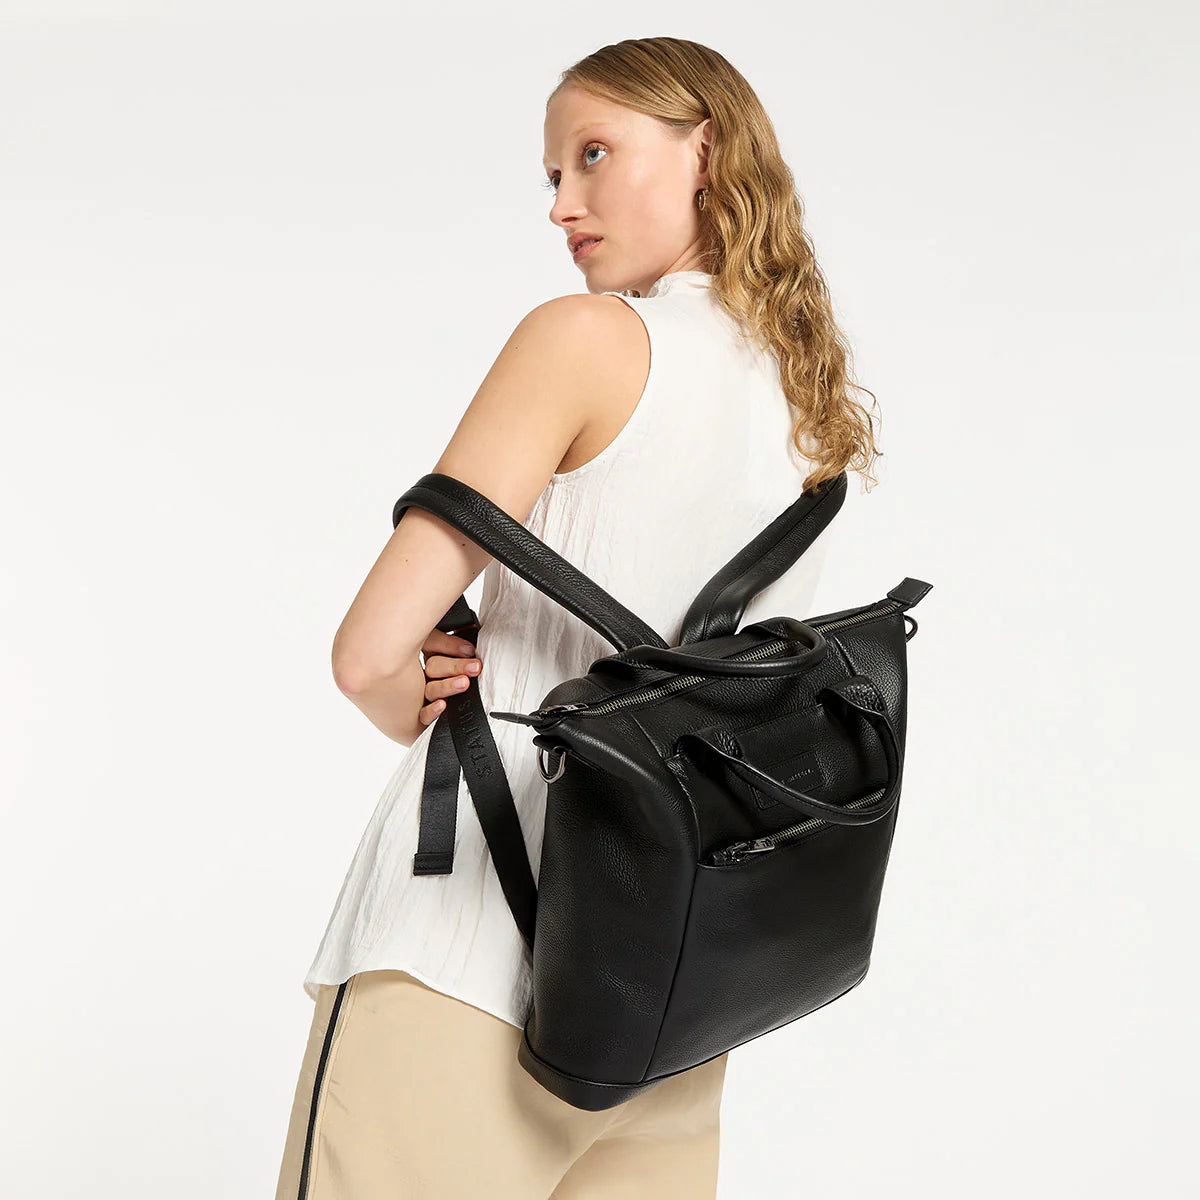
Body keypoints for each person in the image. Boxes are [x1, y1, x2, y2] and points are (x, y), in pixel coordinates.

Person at [274, 35, 882, 1200]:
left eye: (593, 155)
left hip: (462, 952)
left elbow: (365, 655)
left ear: (706, 149)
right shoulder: (805, 393)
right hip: (666, 995)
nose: (563, 205)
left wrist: (409, 698)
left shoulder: (586, 338)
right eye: (554, 175)